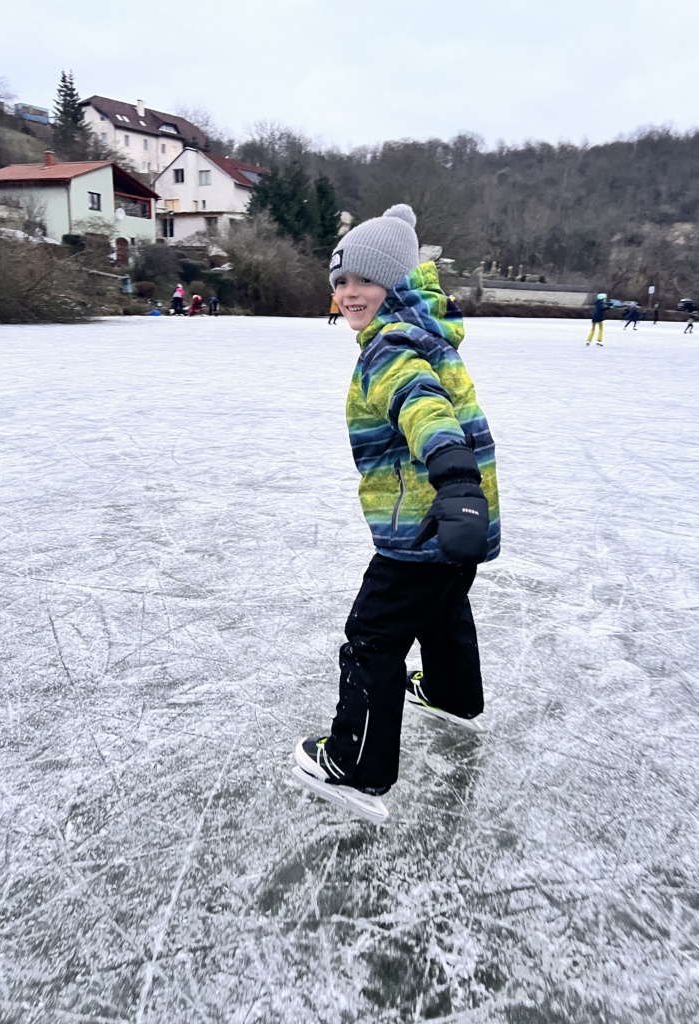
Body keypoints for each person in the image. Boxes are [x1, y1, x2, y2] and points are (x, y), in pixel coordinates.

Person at [292, 205, 500, 823]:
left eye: (362, 280)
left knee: (372, 639)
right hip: (460, 523)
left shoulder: (390, 348)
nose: (348, 294)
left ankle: (357, 764)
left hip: (423, 521)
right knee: (443, 608)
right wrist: (465, 494)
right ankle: (450, 694)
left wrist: (454, 477)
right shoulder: (428, 329)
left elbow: (424, 407)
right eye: (339, 283)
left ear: (397, 281)